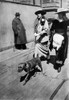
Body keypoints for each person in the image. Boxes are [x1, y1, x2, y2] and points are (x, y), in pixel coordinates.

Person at [50, 8, 69, 72]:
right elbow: (52, 29)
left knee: (61, 52)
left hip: (63, 38)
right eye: (58, 14)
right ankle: (58, 63)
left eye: (60, 14)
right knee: (57, 51)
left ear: (63, 14)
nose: (59, 15)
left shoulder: (66, 21)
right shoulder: (55, 21)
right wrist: (52, 33)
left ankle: (59, 65)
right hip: (56, 39)